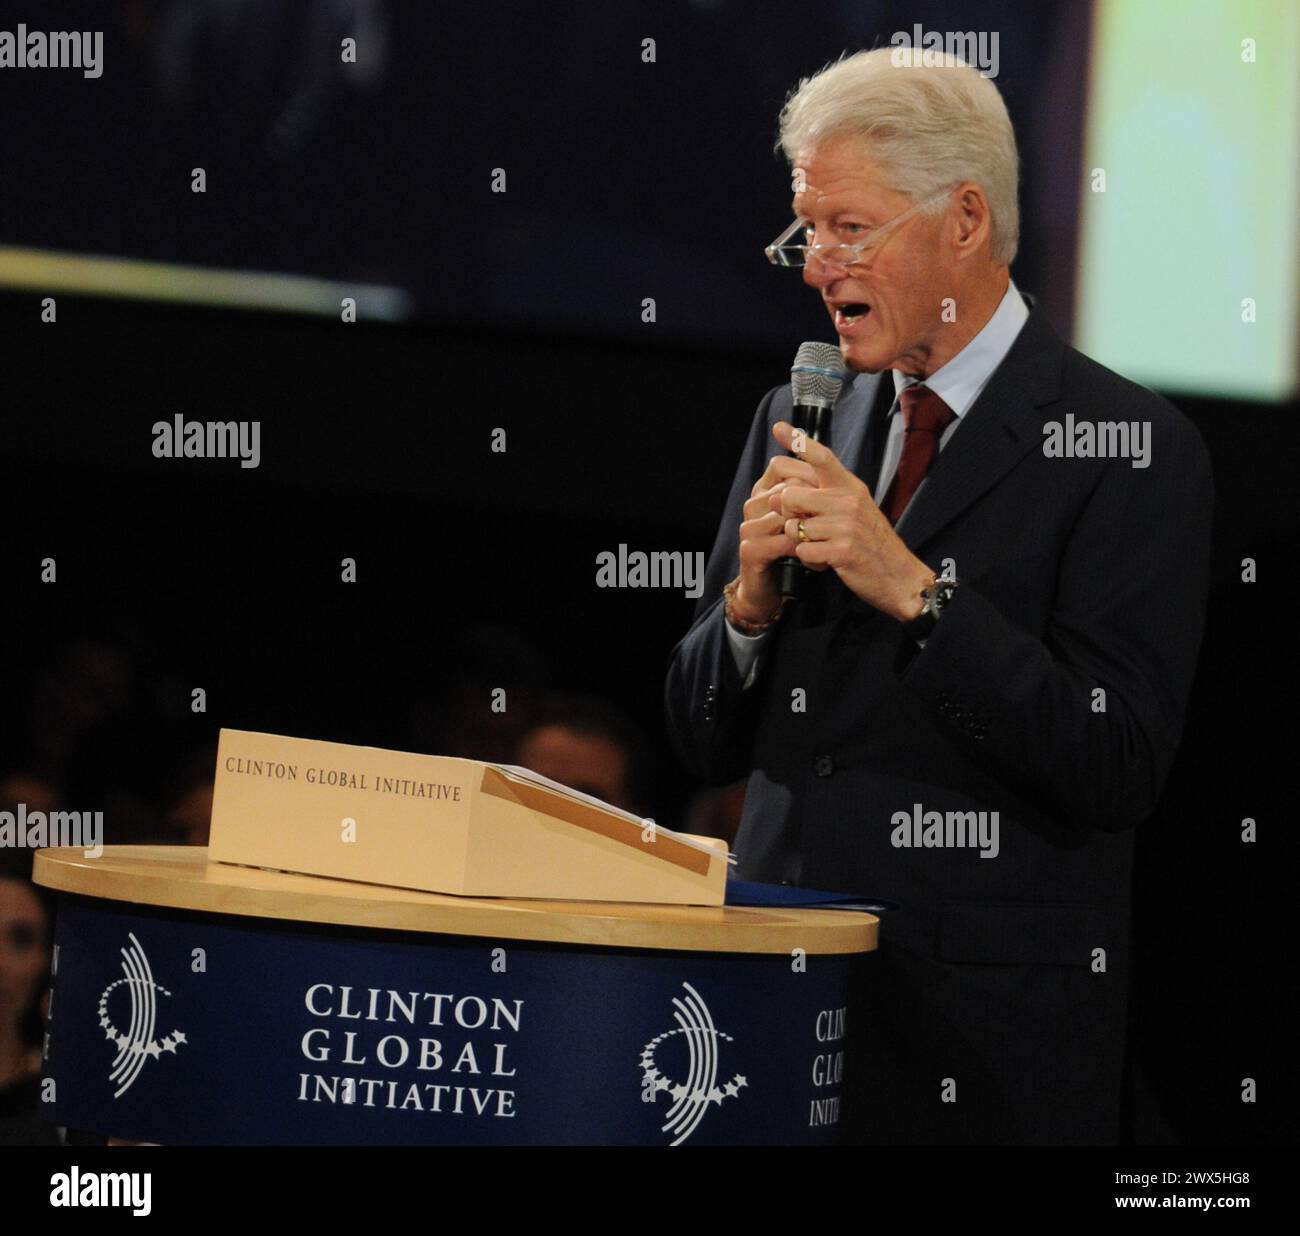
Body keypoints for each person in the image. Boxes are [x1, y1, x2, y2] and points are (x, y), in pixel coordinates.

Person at [663, 48, 1213, 1145]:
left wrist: (919, 595)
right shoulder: (802, 408)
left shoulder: (1129, 448)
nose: (818, 264)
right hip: (777, 1000)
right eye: (804, 230)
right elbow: (697, 740)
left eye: (848, 227)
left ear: (964, 220)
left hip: (981, 1050)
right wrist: (747, 616)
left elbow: (1116, 763)